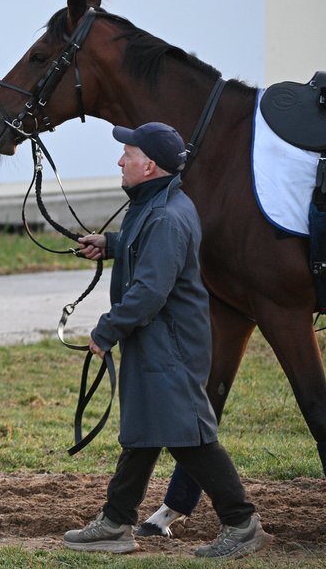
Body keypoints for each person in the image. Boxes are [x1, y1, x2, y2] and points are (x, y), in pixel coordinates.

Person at [63, 122, 270, 559]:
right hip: (158, 342)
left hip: (170, 345)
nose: (121, 160)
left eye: (129, 154)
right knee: (141, 431)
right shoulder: (157, 204)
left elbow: (149, 293)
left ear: (149, 164)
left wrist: (105, 330)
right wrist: (112, 243)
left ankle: (241, 521)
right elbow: (150, 248)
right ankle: (117, 522)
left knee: (187, 435)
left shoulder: (165, 216)